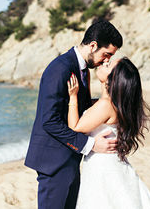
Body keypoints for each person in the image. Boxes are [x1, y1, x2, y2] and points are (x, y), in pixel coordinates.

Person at [24, 20, 123, 209]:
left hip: (70, 158)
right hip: (54, 162)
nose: (106, 60)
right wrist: (91, 145)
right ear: (93, 45)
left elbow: (79, 109)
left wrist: (104, 104)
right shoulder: (60, 68)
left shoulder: (82, 68)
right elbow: (49, 121)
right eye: (106, 54)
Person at [67, 57, 150, 208]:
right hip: (108, 163)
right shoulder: (111, 103)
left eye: (109, 65)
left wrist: (73, 97)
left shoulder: (105, 105)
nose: (104, 62)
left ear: (113, 79)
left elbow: (75, 127)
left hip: (102, 166)